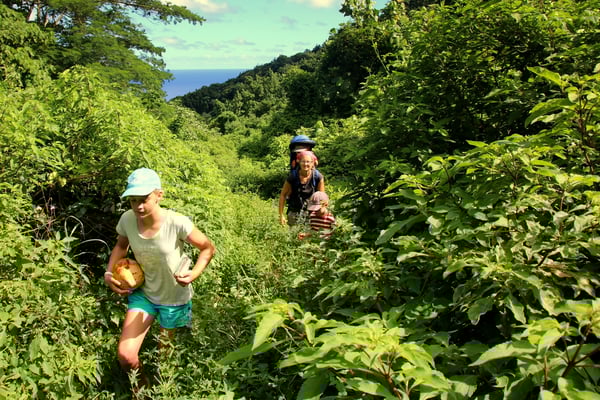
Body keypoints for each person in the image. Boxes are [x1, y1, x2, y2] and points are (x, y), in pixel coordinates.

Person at [103, 167, 215, 390]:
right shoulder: (127, 220)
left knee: (165, 359)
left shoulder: (177, 222)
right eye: (133, 201)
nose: (139, 206)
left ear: (159, 195)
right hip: (143, 294)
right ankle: (141, 390)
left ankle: (165, 389)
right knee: (126, 356)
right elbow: (120, 246)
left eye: (144, 199)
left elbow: (207, 248)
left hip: (174, 297)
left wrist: (194, 274)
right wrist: (109, 273)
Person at [279, 150, 325, 226]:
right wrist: (281, 215)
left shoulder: (317, 177)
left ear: (312, 163)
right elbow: (283, 195)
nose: (305, 164)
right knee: (294, 236)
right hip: (294, 212)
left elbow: (322, 197)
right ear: (299, 162)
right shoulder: (293, 177)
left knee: (310, 236)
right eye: (303, 161)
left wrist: (322, 213)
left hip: (312, 213)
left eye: (308, 162)